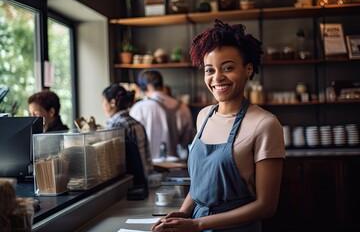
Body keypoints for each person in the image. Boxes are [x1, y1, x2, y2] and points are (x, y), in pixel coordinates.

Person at [152, 19, 285, 232]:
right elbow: (200, 185)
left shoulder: (265, 124)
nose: (217, 78)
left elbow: (266, 206)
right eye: (209, 70)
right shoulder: (203, 116)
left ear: (248, 70)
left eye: (228, 68)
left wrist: (198, 224)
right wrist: (185, 211)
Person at [130, 69, 194, 159]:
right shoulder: (183, 108)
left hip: (149, 164)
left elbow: (134, 141)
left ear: (146, 86)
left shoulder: (138, 108)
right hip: (176, 165)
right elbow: (186, 142)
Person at [102, 83, 153, 187]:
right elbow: (147, 158)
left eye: (103, 101)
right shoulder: (137, 123)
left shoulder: (115, 125)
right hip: (142, 181)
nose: (102, 105)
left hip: (128, 185)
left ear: (112, 102)